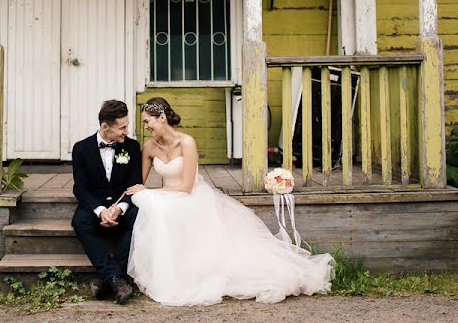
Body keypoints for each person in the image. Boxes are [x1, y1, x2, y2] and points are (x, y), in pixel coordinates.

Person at [126, 97, 333, 306]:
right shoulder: (149, 147)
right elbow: (139, 183)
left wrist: (152, 192)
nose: (145, 127)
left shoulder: (186, 142)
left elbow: (187, 186)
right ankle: (169, 270)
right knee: (153, 205)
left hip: (192, 197)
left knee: (160, 204)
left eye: (147, 121)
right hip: (168, 198)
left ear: (161, 118)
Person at [71, 99, 142, 304]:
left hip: (123, 206)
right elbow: (80, 188)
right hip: (95, 206)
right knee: (79, 222)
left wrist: (119, 209)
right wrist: (101, 210)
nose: (125, 131)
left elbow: (135, 182)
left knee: (139, 218)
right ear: (105, 126)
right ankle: (116, 279)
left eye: (126, 126)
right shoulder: (81, 149)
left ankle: (107, 279)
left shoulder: (132, 147)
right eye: (122, 127)